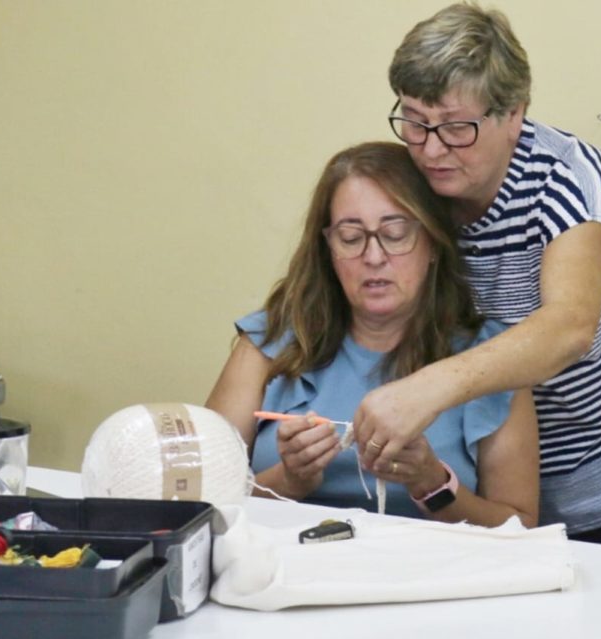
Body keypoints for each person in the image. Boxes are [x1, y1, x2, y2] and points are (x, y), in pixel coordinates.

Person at [353, 3, 601, 542]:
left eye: (456, 128)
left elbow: (568, 328)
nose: (430, 149)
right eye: (414, 120)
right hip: (503, 485)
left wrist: (422, 392)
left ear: (513, 114)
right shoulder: (414, 181)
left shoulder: (573, 181)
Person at [206, 141, 539, 528]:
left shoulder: (491, 358)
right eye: (350, 237)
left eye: (395, 234)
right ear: (328, 249)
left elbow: (522, 529)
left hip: (433, 581)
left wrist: (432, 484)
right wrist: (289, 481)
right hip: (285, 577)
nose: (374, 257)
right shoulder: (267, 343)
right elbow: (201, 511)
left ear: (433, 243)